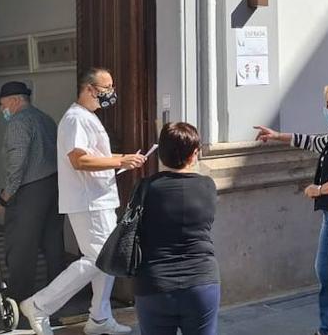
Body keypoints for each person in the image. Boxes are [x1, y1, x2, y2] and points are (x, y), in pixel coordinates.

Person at [20, 68, 143, 335]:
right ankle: (39, 305)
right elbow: (79, 160)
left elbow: (96, 155)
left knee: (106, 259)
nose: (111, 92)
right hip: (88, 201)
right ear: (89, 89)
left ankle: (99, 317)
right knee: (98, 258)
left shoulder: (87, 117)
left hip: (98, 198)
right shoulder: (76, 118)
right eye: (106, 87)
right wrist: (120, 160)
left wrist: (124, 158)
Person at [254, 84, 328, 335]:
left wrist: (318, 189)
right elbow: (310, 141)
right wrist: (277, 136)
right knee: (324, 270)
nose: (327, 110)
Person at [135, 122, 220, 335]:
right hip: (201, 281)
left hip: (154, 283)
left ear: (160, 153)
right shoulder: (207, 186)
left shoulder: (146, 188)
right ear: (194, 154)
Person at [0, 81, 65, 313]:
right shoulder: (45, 119)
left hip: (30, 190)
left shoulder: (18, 122)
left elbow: (18, 161)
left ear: (15, 100)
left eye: (3, 104)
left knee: (22, 244)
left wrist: (7, 195)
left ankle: (19, 297)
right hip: (54, 185)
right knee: (53, 242)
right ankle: (57, 295)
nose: (1, 109)